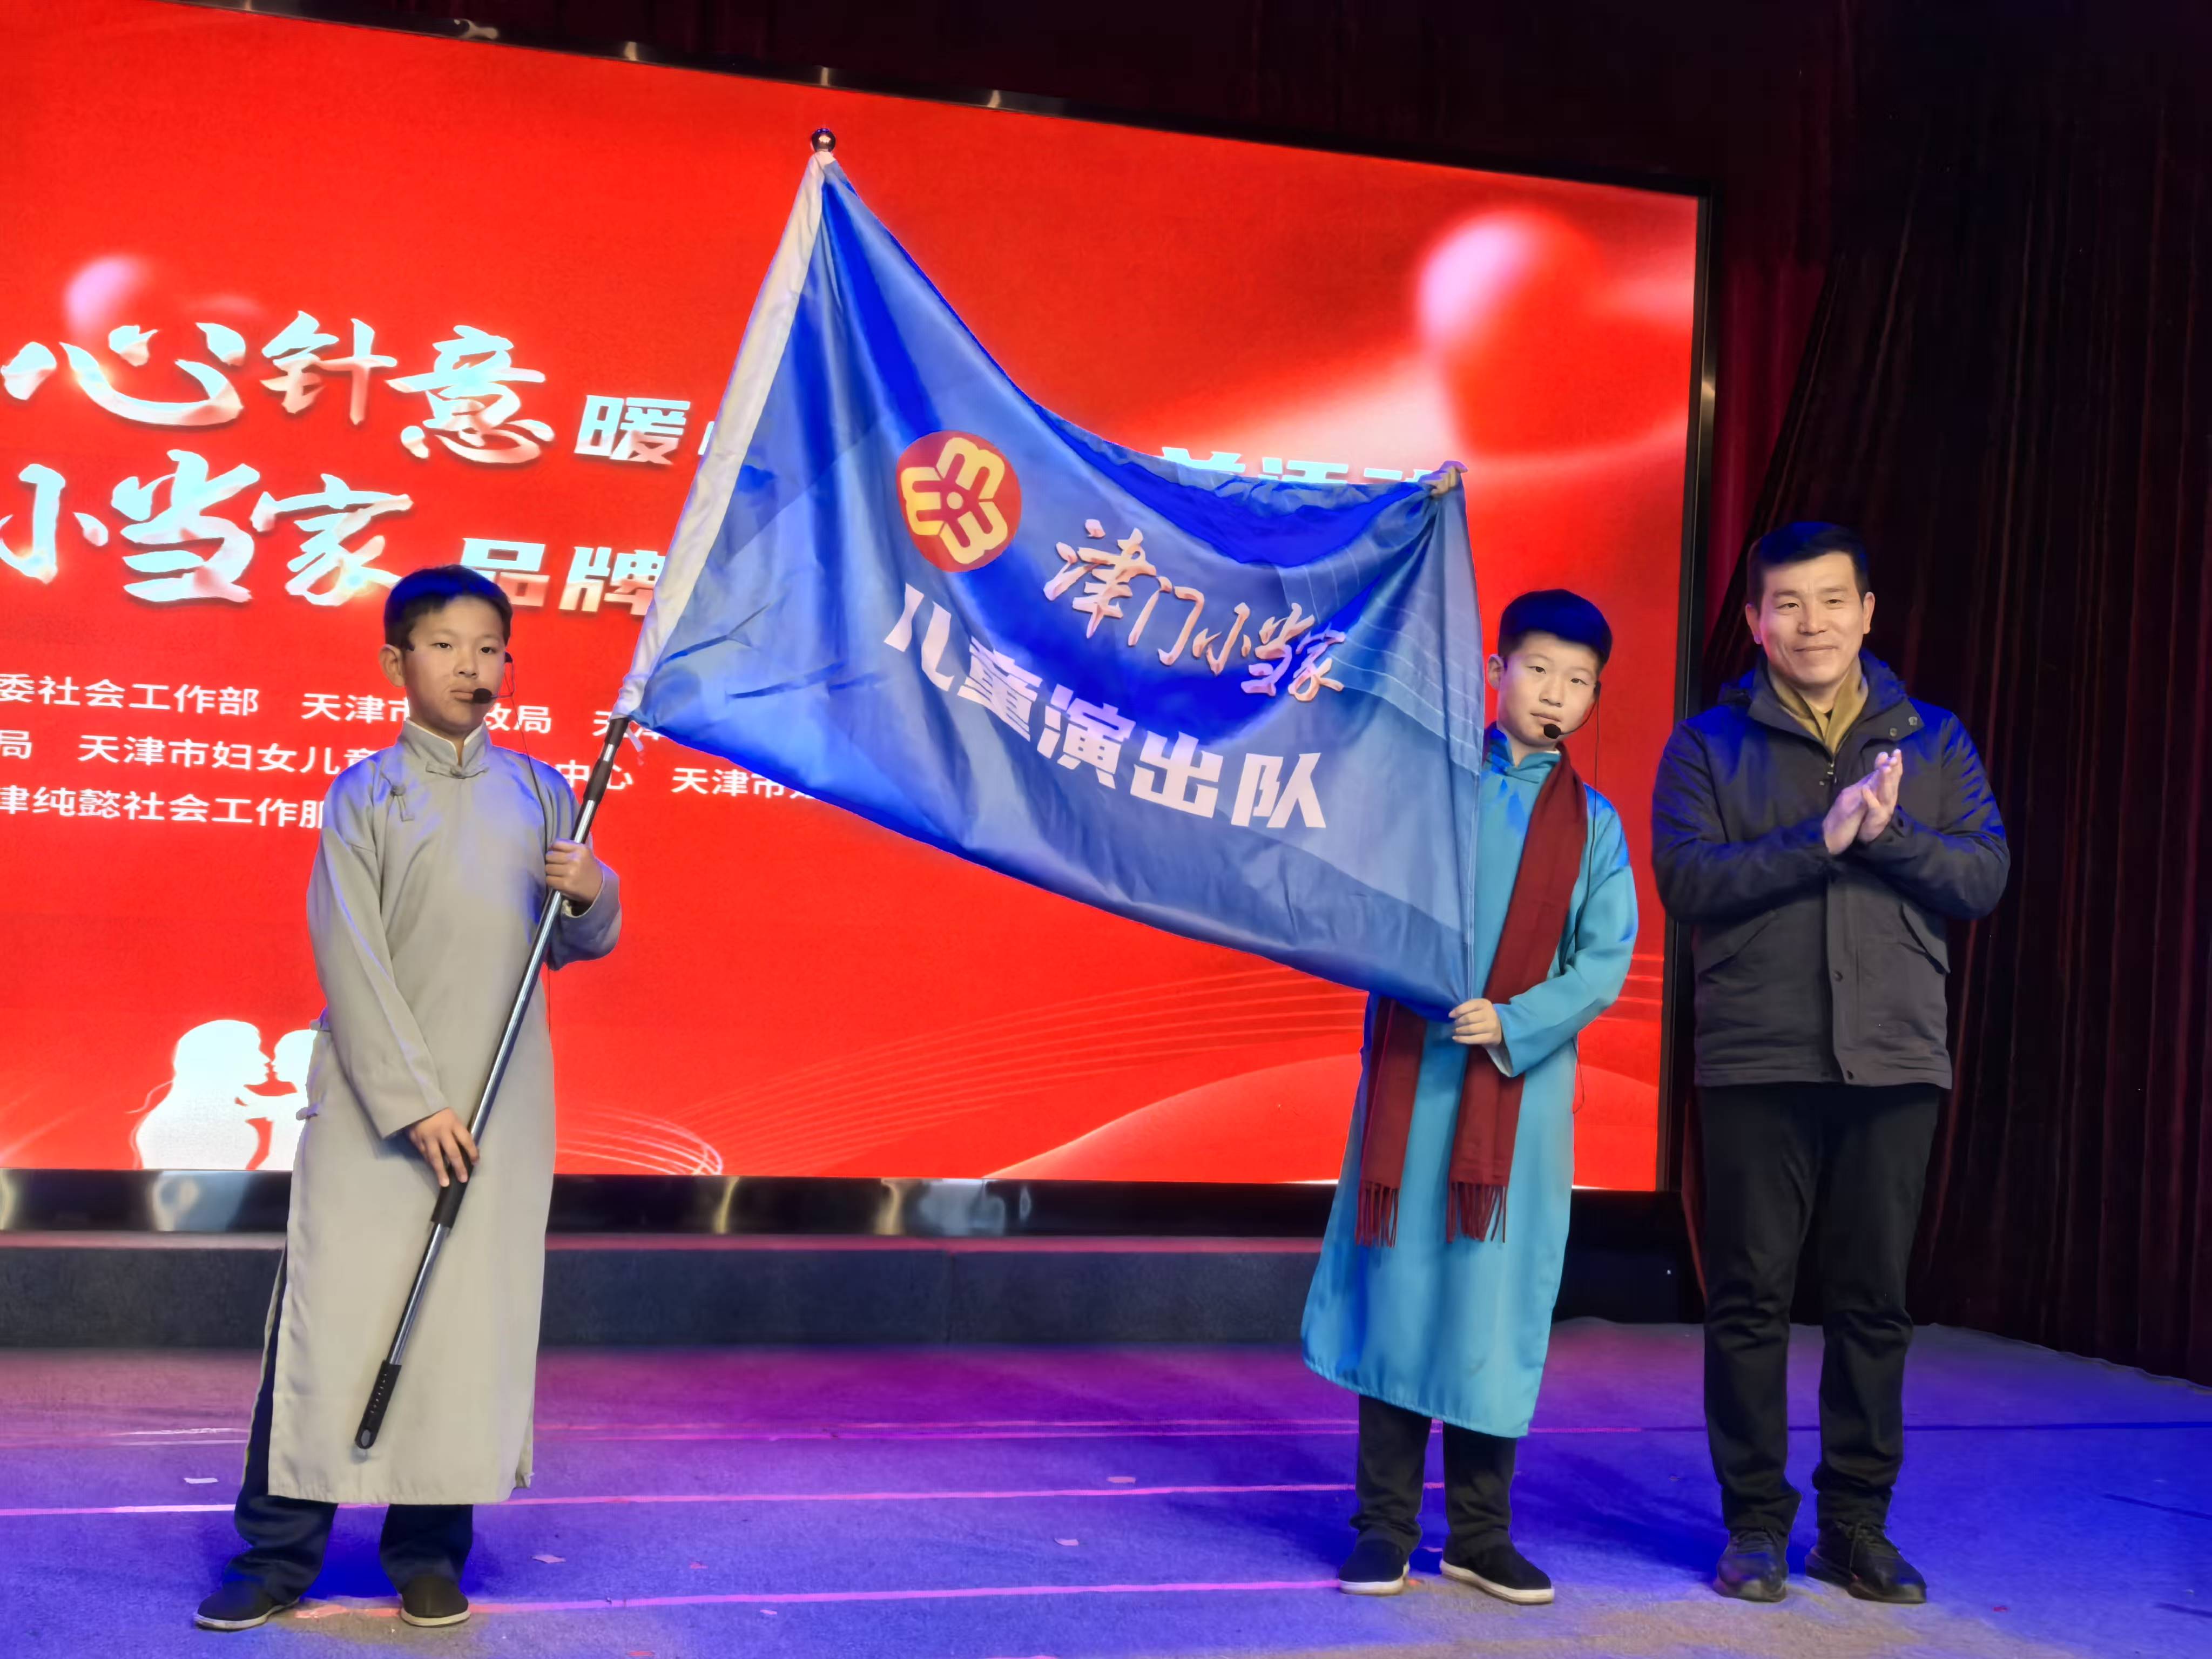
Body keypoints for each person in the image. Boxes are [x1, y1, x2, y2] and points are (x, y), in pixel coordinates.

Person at [194, 565, 622, 1632]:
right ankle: (276, 1556)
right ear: (396, 662)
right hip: (379, 1114)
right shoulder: (365, 795)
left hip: (498, 1109)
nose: (472, 667)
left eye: (490, 649)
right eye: (445, 646)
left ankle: (429, 1553)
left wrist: (594, 895)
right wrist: (414, 1102)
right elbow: (352, 957)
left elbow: (570, 944)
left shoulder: (543, 793)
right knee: (329, 1324)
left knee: (458, 1329)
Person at [1651, 522, 2007, 1606]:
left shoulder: (1931, 740)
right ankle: (1755, 1524)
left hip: (1894, 1060)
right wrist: (1821, 837)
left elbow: (1982, 876)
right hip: (1756, 1057)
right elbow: (1688, 883)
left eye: (1831, 601)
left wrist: (1885, 835)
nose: (1811, 624)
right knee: (1748, 1300)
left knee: (1871, 1303)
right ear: (1755, 623)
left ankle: (1854, 1526)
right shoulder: (1706, 745)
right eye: (1787, 605)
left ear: (1867, 612)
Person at [1303, 587, 1638, 1604]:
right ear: (1496, 673)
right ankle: (1384, 1527)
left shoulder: (1596, 828)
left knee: (1491, 1311)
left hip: (1518, 1106)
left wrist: (1516, 1020)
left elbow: (1604, 961)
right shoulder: (1428, 790)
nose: (1557, 695)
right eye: (1539, 670)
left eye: (1579, 682)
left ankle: (1481, 1536)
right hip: (1416, 1088)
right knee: (1401, 1301)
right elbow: (1363, 905)